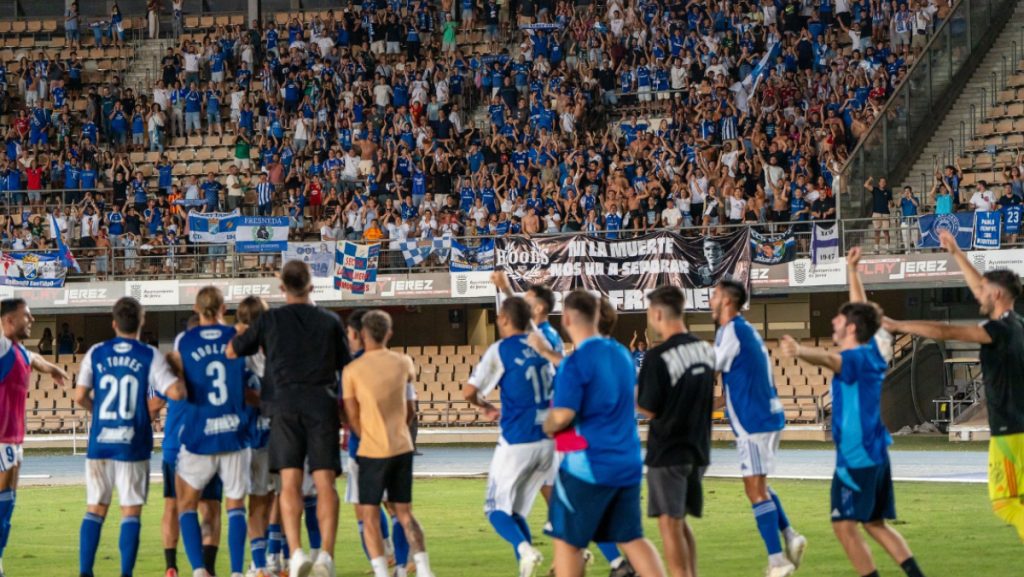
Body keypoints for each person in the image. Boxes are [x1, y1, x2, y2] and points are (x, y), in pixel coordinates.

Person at [780, 247, 926, 577]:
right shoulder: (873, 351)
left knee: (844, 525)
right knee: (875, 525)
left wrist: (800, 350)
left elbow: (832, 360)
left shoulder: (856, 359)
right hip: (876, 453)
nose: (834, 320)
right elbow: (864, 316)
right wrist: (852, 271)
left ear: (850, 329)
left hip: (856, 457)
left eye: (839, 318)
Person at [884, 230, 1024, 543]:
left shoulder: (997, 330)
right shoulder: (1017, 324)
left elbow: (945, 331)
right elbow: (980, 286)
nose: (978, 295)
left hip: (1010, 434)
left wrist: (897, 325)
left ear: (997, 296)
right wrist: (957, 253)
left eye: (984, 291)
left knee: (1006, 503)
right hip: (1020, 428)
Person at [228, 260, 350, 577]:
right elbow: (345, 366)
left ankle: (295, 554)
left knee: (289, 482)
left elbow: (234, 350)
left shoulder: (269, 319)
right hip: (321, 405)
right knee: (325, 483)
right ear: (311, 286)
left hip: (282, 406)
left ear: (282, 289)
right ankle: (326, 556)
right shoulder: (330, 321)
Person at [542, 290, 666, 577]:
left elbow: (563, 416)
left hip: (588, 466)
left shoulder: (575, 362)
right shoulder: (622, 354)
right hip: (627, 462)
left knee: (569, 544)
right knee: (633, 538)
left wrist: (544, 424)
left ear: (569, 318)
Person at [75, 297, 185, 577]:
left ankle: (85, 572)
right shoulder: (149, 354)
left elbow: (79, 397)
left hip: (100, 442)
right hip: (133, 444)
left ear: (114, 323)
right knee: (130, 512)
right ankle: (126, 574)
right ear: (142, 321)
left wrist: (99, 412)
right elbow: (175, 394)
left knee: (95, 509)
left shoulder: (96, 352)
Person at [710, 279, 805, 577]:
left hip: (754, 421)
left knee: (754, 490)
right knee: (758, 484)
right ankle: (790, 535)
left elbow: (708, 370)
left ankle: (777, 561)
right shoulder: (743, 330)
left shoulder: (731, 332)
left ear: (727, 301)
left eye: (715, 295)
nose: (711, 300)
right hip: (766, 416)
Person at [463, 296, 555, 577]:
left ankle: (526, 550)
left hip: (518, 440)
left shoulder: (501, 349)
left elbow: (469, 391)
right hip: (549, 441)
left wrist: (485, 406)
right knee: (515, 511)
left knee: (494, 509)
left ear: (503, 319)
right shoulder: (543, 344)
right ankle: (526, 569)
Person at [343, 310, 436, 577]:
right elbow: (411, 410)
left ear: (361, 335)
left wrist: (368, 435)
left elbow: (351, 416)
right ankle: (422, 569)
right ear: (389, 333)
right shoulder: (404, 363)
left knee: (369, 515)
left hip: (370, 450)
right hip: (401, 446)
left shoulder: (351, 370)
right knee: (405, 513)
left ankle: (383, 572)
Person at [169, 287, 250, 577]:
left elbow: (179, 384)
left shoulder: (185, 340)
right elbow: (248, 382)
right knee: (236, 504)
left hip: (199, 433)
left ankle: (199, 570)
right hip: (234, 431)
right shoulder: (237, 338)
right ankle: (238, 571)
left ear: (195, 308)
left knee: (187, 504)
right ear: (223, 308)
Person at [637, 287, 715, 577]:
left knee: (669, 523)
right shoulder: (704, 350)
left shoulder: (658, 357)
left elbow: (649, 408)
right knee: (680, 521)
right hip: (699, 448)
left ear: (657, 314)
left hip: (669, 451)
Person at [0, 299, 68, 576]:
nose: (32, 319)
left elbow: (34, 359)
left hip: (14, 439)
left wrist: (51, 368)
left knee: (8, 501)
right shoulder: (2, 345)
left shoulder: (17, 351)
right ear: (8, 321)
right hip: (1, 438)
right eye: (26, 316)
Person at [154, 314, 224, 577]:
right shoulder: (218, 361)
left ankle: (171, 567)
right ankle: (207, 567)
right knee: (211, 507)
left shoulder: (176, 368)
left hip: (174, 446)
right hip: (210, 441)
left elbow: (154, 404)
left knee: (174, 506)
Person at [235, 296, 274, 577]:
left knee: (251, 504)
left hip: (245, 435)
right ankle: (272, 559)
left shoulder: (234, 350)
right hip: (274, 433)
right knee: (271, 499)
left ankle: (259, 564)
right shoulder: (277, 347)